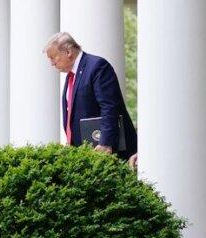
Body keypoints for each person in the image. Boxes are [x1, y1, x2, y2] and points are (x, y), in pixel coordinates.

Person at [44, 32, 137, 161]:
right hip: (85, 153)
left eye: (53, 57)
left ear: (68, 51)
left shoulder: (97, 66)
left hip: (106, 152)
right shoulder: (71, 76)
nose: (51, 63)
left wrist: (105, 143)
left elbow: (109, 106)